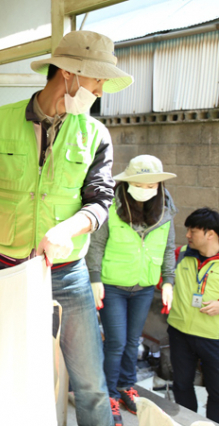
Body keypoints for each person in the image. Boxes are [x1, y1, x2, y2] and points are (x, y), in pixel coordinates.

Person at [0, 30, 133, 426]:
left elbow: (100, 200)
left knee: (90, 382)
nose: (100, 89)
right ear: (68, 73)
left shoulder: (95, 134)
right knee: (4, 369)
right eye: (96, 79)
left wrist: (68, 229)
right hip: (5, 269)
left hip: (67, 274)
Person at [85, 155, 177, 423]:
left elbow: (168, 248)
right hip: (112, 286)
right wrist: (95, 278)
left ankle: (127, 387)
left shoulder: (166, 209)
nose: (147, 189)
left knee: (132, 342)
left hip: (144, 287)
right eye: (141, 184)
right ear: (127, 182)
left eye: (152, 185)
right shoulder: (112, 206)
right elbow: (97, 244)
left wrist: (168, 281)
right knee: (116, 343)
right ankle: (109, 395)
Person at [167, 208, 219, 423]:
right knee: (181, 385)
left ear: (210, 234)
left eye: (193, 231)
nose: (187, 235)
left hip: (213, 338)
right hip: (179, 333)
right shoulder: (181, 255)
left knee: (216, 392)